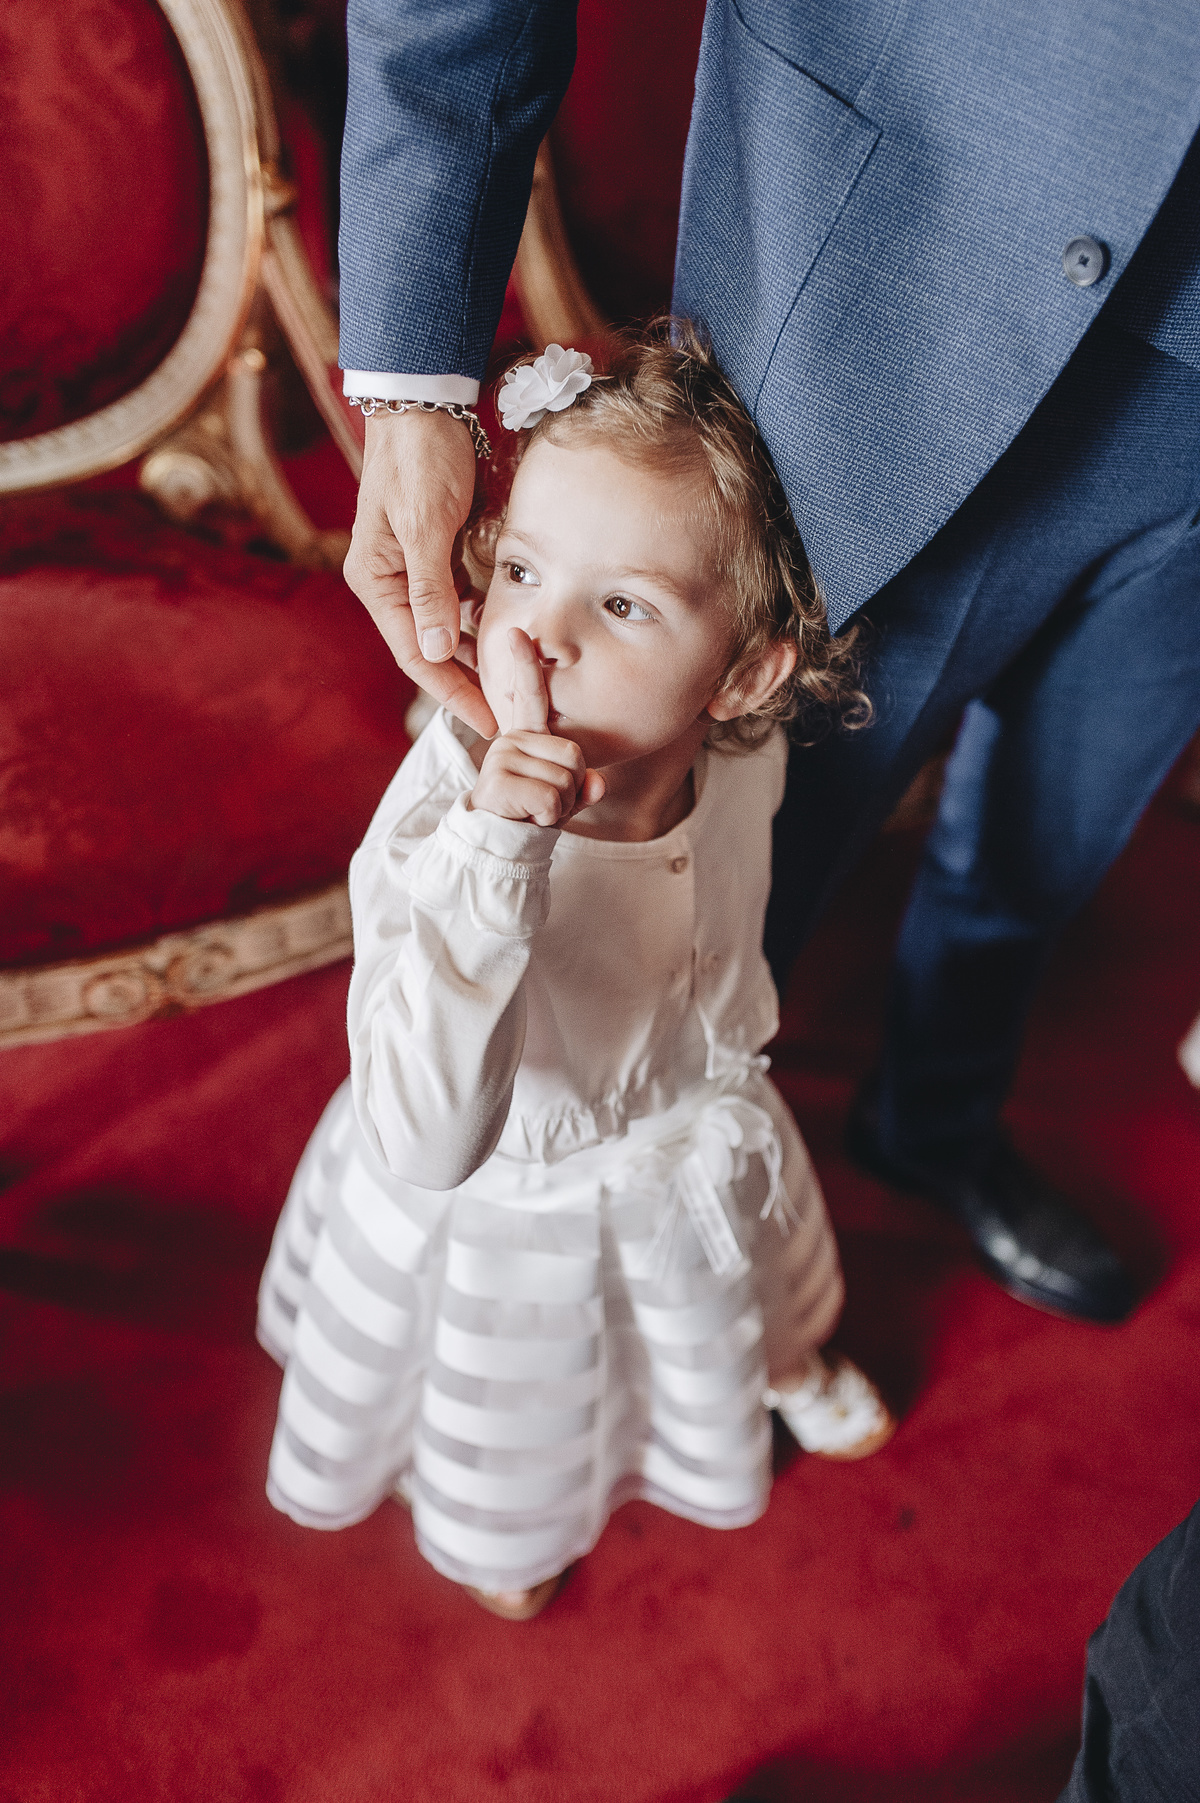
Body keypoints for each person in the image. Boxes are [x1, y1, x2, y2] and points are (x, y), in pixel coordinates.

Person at [336, 0, 1200, 1326]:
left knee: (1068, 816)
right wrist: (414, 381)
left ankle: (935, 1118)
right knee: (759, 823)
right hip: (913, 253)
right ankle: (682, 1221)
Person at [257, 334, 893, 1621]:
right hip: (513, 1205)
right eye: (525, 573)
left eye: (623, 604)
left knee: (735, 1290)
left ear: (746, 676)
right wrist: (500, 858)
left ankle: (780, 1360)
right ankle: (506, 1536)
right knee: (524, 1417)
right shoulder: (445, 827)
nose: (537, 638)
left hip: (695, 1126)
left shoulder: (748, 750)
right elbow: (429, 1140)